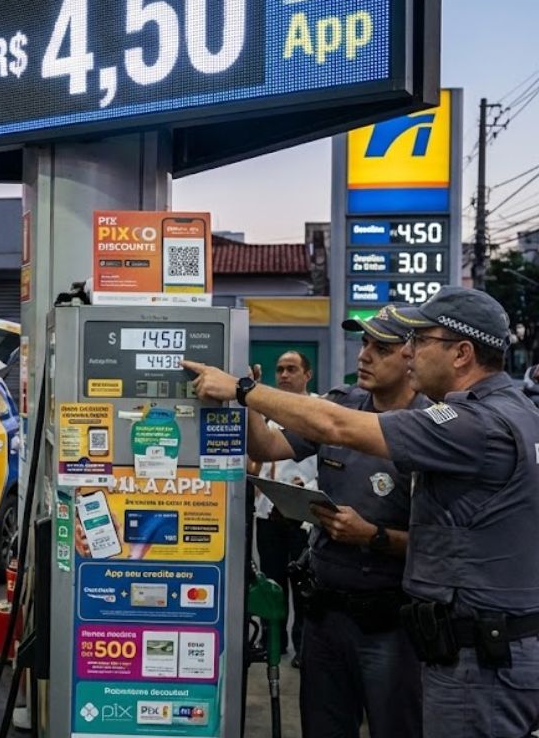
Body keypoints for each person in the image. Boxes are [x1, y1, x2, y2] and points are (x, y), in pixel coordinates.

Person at [184, 286, 539, 738]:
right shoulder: (508, 412)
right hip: (392, 626)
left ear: (462, 353)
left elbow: (335, 426)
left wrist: (243, 389)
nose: (410, 355)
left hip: (462, 648)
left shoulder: (474, 423)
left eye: (419, 342)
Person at [247, 307, 426, 737]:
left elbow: (444, 542)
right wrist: (249, 400)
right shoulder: (340, 406)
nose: (364, 355)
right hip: (325, 616)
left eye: (380, 348)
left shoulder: (431, 427)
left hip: (391, 622)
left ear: (411, 356)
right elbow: (267, 445)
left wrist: (375, 536)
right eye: (363, 344)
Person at [250, 350, 318, 664]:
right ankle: (271, 643)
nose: (284, 375)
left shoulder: (321, 412)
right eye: (280, 369)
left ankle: (305, 647)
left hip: (304, 518)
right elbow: (255, 461)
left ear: (308, 374)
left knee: (304, 586)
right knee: (271, 582)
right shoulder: (264, 415)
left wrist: (310, 492)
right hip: (268, 515)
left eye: (291, 369)